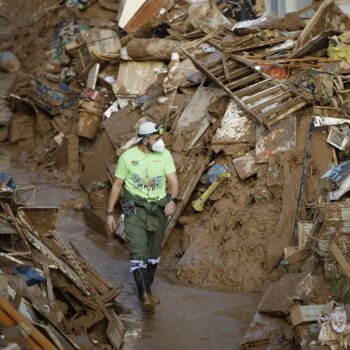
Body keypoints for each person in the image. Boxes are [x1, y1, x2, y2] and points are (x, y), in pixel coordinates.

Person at [106, 122, 179, 313]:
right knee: (138, 253)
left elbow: (174, 181)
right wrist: (109, 213)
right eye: (156, 138)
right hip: (133, 209)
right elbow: (117, 186)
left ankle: (145, 291)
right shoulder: (127, 157)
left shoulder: (165, 155)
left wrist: (173, 200)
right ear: (145, 140)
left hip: (158, 209)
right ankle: (145, 296)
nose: (160, 142)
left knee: (153, 255)